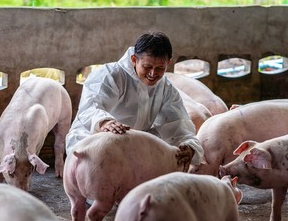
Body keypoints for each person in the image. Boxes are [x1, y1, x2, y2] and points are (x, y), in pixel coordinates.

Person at [66, 31, 203, 165]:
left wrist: (189, 147)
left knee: (169, 149)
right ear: (134, 59)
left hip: (132, 146)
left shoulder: (166, 89)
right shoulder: (110, 75)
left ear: (168, 63)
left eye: (160, 68)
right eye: (147, 66)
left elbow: (178, 124)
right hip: (93, 139)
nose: (152, 73)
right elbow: (90, 107)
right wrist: (104, 122)